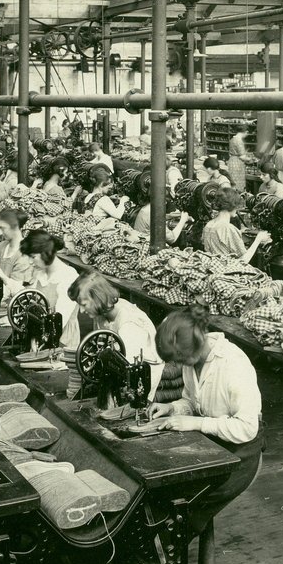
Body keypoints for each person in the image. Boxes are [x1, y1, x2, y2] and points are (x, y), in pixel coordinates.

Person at [147, 305, 263, 538]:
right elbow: (191, 401)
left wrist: (197, 423)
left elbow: (247, 428)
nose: (178, 366)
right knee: (166, 490)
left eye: (180, 360)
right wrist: (172, 407)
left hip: (242, 450)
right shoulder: (193, 361)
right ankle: (158, 548)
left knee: (188, 504)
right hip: (212, 442)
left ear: (196, 346)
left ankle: (168, 550)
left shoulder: (233, 364)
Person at [69, 272, 164, 401]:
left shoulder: (129, 323)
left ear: (98, 298)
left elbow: (129, 368)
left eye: (84, 304)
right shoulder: (101, 314)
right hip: (119, 373)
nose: (81, 311)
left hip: (144, 378)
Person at [18, 229, 81, 349]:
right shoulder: (41, 273)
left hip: (63, 344)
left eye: (33, 257)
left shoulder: (69, 277)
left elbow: (58, 323)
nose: (30, 262)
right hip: (40, 337)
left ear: (46, 253)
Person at [201, 187, 270, 263]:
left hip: (213, 269)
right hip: (227, 272)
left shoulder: (208, 225)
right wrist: (258, 239)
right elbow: (243, 261)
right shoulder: (229, 229)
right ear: (232, 206)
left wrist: (238, 232)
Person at [0, 208, 36, 285]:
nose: (0, 233)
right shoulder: (1, 246)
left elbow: (15, 289)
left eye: (3, 228)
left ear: (15, 227)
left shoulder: (24, 256)